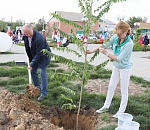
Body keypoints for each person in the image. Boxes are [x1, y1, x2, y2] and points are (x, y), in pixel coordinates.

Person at [86, 21, 134, 118]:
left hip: (125, 68)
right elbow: (104, 45)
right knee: (111, 86)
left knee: (123, 90)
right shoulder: (116, 37)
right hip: (116, 67)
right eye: (118, 33)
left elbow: (119, 58)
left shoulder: (129, 43)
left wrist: (106, 53)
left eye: (121, 34)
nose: (119, 36)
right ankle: (106, 106)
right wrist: (91, 51)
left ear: (126, 32)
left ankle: (121, 111)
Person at [22, 24, 51, 101]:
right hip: (34, 56)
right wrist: (30, 60)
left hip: (44, 56)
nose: (28, 35)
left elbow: (39, 53)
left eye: (29, 33)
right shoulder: (25, 36)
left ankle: (44, 93)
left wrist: (32, 63)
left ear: (32, 29)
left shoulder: (39, 38)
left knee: (42, 73)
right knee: (32, 71)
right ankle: (37, 88)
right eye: (26, 34)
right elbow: (27, 48)